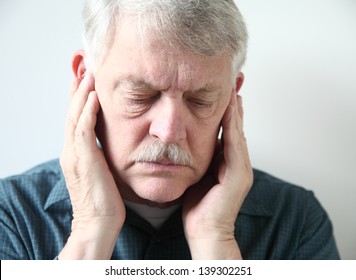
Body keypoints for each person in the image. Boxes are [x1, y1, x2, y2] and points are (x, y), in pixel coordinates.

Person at [0, 0, 339, 260]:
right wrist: (91, 232)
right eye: (140, 96)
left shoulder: (295, 220)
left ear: (232, 96)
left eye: (200, 99)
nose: (169, 131)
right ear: (84, 80)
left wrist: (216, 239)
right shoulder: (12, 215)